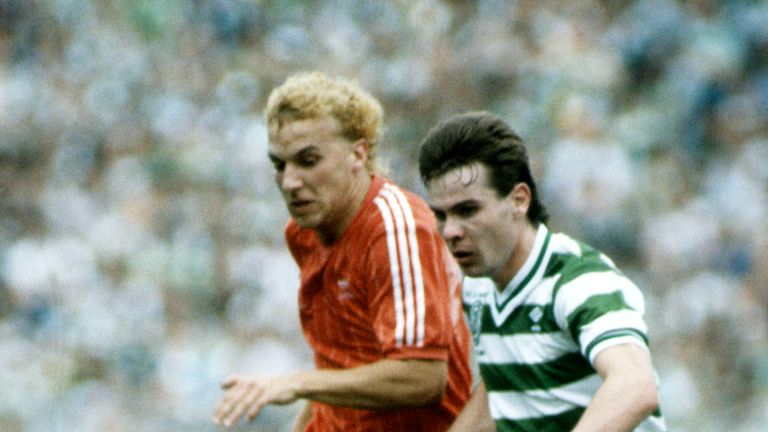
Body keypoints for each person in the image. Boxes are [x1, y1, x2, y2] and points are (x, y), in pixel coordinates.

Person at [213, 72, 472, 431]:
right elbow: (336, 361)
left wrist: (295, 384)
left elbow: (423, 377)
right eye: (279, 165)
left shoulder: (395, 228)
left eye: (308, 160)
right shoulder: (304, 232)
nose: (289, 181)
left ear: (358, 152)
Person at [417, 111, 667, 432]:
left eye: (468, 210)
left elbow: (635, 387)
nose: (451, 230)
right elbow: (502, 388)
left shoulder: (579, 280)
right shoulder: (478, 289)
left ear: (519, 200)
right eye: (441, 215)